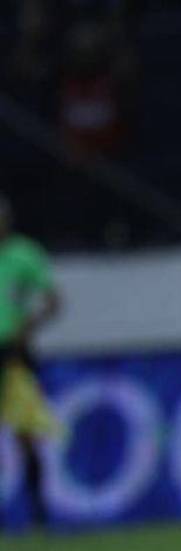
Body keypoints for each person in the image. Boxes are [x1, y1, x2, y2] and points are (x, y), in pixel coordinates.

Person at [0, 193, 61, 528]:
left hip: (12, 354)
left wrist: (28, 327)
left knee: (25, 434)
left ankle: (38, 512)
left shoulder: (24, 255)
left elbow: (53, 301)